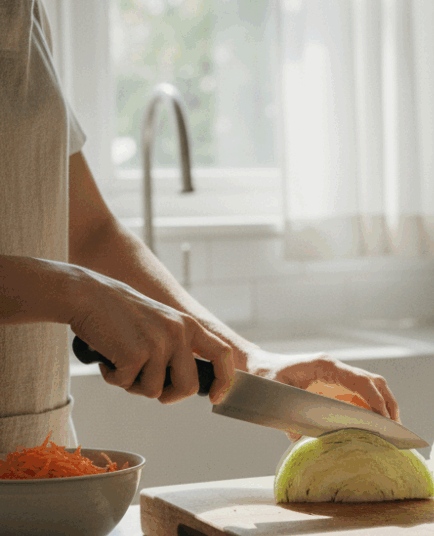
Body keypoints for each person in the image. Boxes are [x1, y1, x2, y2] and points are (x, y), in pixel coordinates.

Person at [0, 0, 399, 456]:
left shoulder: (26, 15)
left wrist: (248, 361)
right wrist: (76, 292)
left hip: (36, 451)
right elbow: (78, 272)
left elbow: (89, 232)